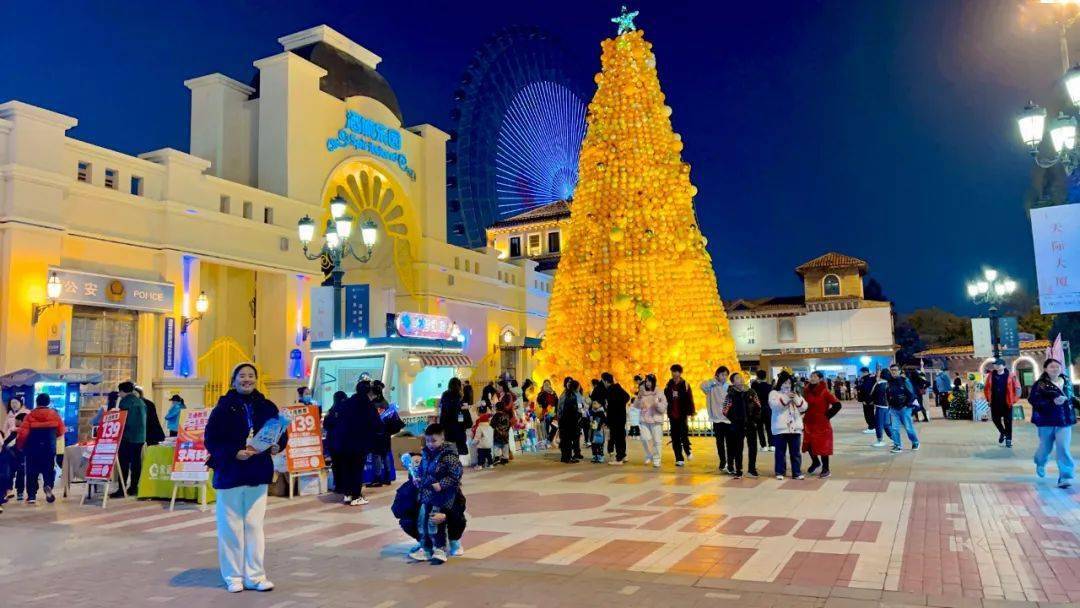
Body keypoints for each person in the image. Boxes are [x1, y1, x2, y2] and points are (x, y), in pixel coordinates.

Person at [204, 363, 286, 593]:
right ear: (233, 380)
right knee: (230, 526)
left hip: (257, 472)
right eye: (242, 376)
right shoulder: (222, 408)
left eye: (251, 375)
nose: (246, 379)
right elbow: (211, 440)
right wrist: (233, 452)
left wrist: (276, 446)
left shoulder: (267, 407)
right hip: (230, 471)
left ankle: (256, 576)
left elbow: (281, 434)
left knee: (254, 525)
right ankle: (233, 576)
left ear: (256, 379)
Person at [393, 452, 468, 559]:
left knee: (458, 518)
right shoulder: (407, 488)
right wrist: (413, 492)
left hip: (442, 517)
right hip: (423, 522)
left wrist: (445, 515)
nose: (418, 465)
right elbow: (397, 511)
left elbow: (460, 505)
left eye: (421, 462)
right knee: (406, 521)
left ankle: (454, 540)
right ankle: (424, 543)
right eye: (413, 463)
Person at [408, 423, 463, 564]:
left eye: (434, 440)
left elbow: (456, 475)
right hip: (427, 494)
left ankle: (440, 548)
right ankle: (426, 548)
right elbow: (423, 470)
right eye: (428, 441)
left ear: (442, 439)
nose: (430, 444)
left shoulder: (449, 456)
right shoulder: (426, 453)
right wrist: (419, 478)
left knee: (436, 520)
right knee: (423, 520)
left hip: (443, 496)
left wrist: (441, 484)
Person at [1029, 358, 1077, 489]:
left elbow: (1071, 397)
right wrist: (1052, 402)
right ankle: (1040, 462)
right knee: (1045, 447)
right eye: (1052, 367)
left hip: (1064, 420)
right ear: (1045, 369)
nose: (1055, 369)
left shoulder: (1066, 381)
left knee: (1063, 447)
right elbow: (1033, 400)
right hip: (1046, 421)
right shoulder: (1040, 385)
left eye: (1057, 366)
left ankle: (1065, 476)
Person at [324, 383, 376, 505]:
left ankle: (347, 494)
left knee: (347, 468)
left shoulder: (346, 404)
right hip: (358, 443)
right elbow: (375, 424)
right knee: (357, 469)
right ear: (368, 392)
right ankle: (356, 496)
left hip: (343, 443)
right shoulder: (367, 405)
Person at [15, 394, 65, 505]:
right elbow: (61, 431)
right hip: (49, 448)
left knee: (32, 472)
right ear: (48, 403)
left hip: (32, 449)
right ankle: (48, 485)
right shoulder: (55, 414)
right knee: (48, 470)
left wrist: (20, 446)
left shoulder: (30, 415)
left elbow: (23, 434)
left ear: (36, 402)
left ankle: (32, 496)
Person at [802, 371, 842, 478]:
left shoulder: (825, 391)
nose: (812, 378)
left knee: (823, 446)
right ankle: (815, 462)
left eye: (815, 376)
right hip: (809, 422)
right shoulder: (806, 390)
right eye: (811, 376)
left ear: (820, 379)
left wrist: (827, 416)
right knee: (809, 444)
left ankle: (826, 469)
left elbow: (837, 405)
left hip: (821, 423)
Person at [722, 372, 762, 479]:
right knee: (738, 448)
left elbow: (758, 406)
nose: (740, 379)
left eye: (741, 377)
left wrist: (754, 419)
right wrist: (734, 419)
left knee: (753, 447)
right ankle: (738, 470)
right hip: (737, 425)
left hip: (750, 424)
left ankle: (752, 469)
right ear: (733, 382)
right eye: (737, 378)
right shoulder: (730, 394)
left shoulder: (751, 392)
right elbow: (725, 410)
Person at [769, 372, 808, 480]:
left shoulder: (796, 393)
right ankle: (779, 471)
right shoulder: (774, 393)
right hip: (780, 428)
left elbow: (803, 407)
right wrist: (786, 398)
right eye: (785, 382)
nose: (787, 384)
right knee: (780, 452)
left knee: (795, 452)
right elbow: (775, 407)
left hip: (795, 428)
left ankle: (796, 472)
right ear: (780, 383)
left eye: (789, 382)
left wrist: (795, 397)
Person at [112, 381, 147, 498]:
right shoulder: (140, 402)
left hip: (127, 437)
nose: (119, 394)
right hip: (140, 437)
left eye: (119, 392)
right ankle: (134, 487)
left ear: (122, 391)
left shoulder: (125, 402)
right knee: (136, 463)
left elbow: (123, 421)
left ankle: (121, 489)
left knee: (124, 463)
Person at [369, 382, 403, 487]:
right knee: (385, 454)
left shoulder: (372, 404)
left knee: (376, 455)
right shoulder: (385, 403)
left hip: (376, 433)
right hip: (386, 433)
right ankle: (387, 477)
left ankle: (378, 478)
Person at [984, 359, 1021, 447]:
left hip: (1007, 402)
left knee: (1008, 421)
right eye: (995, 364)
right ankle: (1003, 432)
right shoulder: (990, 375)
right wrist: (988, 399)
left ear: (1004, 366)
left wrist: (1014, 400)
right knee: (995, 419)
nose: (996, 366)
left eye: (999, 364)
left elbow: (1018, 388)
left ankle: (1008, 440)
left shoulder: (1011, 375)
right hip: (995, 402)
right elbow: (986, 388)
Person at [701, 366, 732, 473]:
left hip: (728, 419)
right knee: (719, 442)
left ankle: (730, 462)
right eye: (722, 374)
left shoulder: (729, 387)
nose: (724, 377)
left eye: (726, 375)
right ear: (717, 375)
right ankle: (723, 462)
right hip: (717, 419)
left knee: (729, 442)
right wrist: (714, 380)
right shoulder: (711, 386)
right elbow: (702, 386)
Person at [664, 364, 695, 466]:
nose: (674, 373)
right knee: (675, 436)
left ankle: (687, 450)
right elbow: (665, 397)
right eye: (672, 371)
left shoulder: (685, 384)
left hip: (682, 414)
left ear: (680, 373)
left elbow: (690, 398)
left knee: (684, 434)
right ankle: (679, 458)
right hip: (673, 414)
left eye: (676, 371)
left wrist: (691, 412)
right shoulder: (669, 384)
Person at [633, 375, 667, 468]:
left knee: (657, 441)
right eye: (647, 381)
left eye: (650, 381)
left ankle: (657, 460)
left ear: (654, 382)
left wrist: (657, 404)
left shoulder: (659, 392)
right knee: (644, 438)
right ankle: (649, 454)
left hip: (656, 420)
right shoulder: (642, 392)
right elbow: (636, 406)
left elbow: (663, 407)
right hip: (644, 419)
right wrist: (638, 398)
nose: (648, 383)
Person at [885, 364, 920, 453]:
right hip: (893, 409)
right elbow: (888, 394)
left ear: (900, 371)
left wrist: (906, 405)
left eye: (895, 370)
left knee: (908, 427)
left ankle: (915, 442)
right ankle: (897, 445)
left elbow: (912, 395)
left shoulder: (905, 381)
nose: (893, 371)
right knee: (894, 428)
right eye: (892, 370)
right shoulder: (889, 382)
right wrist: (890, 405)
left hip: (905, 409)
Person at [438, 378, 471, 463]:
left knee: (449, 443)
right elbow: (464, 409)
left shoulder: (445, 394)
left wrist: (441, 425)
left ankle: (449, 461)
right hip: (458, 425)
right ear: (459, 386)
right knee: (458, 444)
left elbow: (442, 411)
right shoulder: (460, 396)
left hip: (447, 424)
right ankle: (455, 461)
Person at [602, 373, 630, 465]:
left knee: (617, 438)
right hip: (621, 417)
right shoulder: (618, 387)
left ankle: (619, 458)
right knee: (621, 437)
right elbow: (627, 397)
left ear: (606, 381)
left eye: (603, 381)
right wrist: (621, 405)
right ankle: (623, 455)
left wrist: (607, 420)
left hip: (615, 418)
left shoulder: (610, 390)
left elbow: (610, 408)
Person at [3, 397, 28, 501]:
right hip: (11, 447)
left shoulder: (27, 413)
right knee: (10, 471)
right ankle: (8, 490)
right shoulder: (8, 415)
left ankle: (20, 492)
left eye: (16, 402)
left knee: (20, 471)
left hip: (20, 448)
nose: (13, 404)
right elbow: (4, 430)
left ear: (20, 403)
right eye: (12, 403)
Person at [558, 379, 583, 463]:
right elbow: (572, 409)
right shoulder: (572, 396)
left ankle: (565, 457)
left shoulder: (565, 394)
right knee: (568, 440)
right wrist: (578, 414)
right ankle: (567, 458)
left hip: (564, 421)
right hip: (569, 421)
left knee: (565, 439)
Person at [751, 370, 774, 451]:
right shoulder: (770, 386)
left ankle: (763, 446)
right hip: (768, 409)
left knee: (760, 428)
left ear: (757, 376)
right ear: (765, 376)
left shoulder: (755, 386)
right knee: (769, 428)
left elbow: (752, 397)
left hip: (758, 409)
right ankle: (771, 445)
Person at [868, 370, 892, 447]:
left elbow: (871, 394)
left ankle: (880, 440)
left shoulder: (879, 384)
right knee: (886, 424)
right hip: (887, 407)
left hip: (880, 406)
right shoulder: (888, 384)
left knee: (879, 424)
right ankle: (894, 439)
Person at [470, 404, 495, 469]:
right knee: (489, 455)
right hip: (489, 444)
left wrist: (473, 442)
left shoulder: (479, 427)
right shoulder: (490, 427)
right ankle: (491, 464)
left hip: (481, 445)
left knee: (480, 456)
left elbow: (477, 437)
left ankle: (480, 465)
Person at [537, 380, 559, 448]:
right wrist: (543, 392)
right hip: (545, 412)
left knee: (555, 427)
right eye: (545, 384)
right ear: (543, 385)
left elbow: (557, 402)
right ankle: (546, 443)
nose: (547, 385)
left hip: (553, 412)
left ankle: (549, 440)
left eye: (548, 384)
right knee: (545, 427)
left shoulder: (553, 392)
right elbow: (539, 401)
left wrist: (552, 393)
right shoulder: (541, 393)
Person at [856, 367, 877, 435]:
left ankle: (872, 427)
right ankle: (871, 426)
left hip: (868, 400)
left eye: (861, 372)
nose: (860, 374)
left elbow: (867, 390)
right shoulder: (864, 379)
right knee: (867, 414)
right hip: (865, 400)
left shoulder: (870, 379)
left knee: (869, 414)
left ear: (865, 372)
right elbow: (861, 388)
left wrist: (866, 400)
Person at [587, 399, 607, 463]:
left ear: (600, 404)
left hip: (599, 431)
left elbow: (604, 421)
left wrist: (601, 426)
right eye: (593, 403)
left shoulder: (601, 412)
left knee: (600, 443)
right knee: (593, 443)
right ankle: (594, 455)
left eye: (595, 403)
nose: (593, 405)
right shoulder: (592, 412)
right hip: (593, 430)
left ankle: (600, 456)